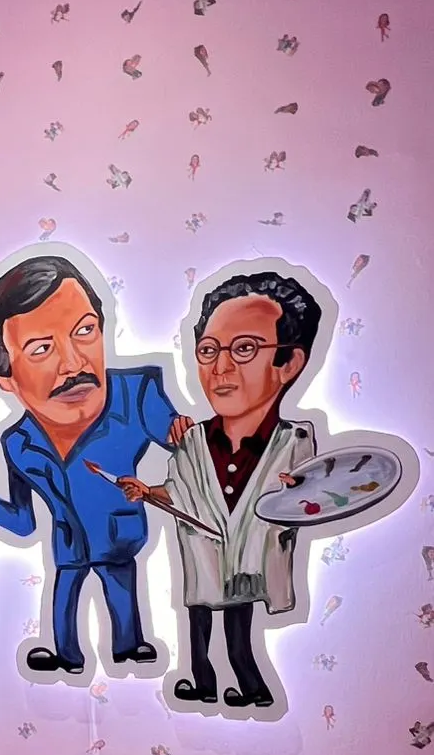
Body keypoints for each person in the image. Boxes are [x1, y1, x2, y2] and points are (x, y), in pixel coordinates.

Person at [0, 254, 189, 675]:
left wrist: (188, 434)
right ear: (6, 378)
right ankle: (67, 654)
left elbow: (181, 443)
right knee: (66, 595)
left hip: (119, 535)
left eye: (85, 331)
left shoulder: (137, 394)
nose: (75, 364)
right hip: (69, 545)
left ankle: (129, 646)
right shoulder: (18, 443)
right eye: (42, 349)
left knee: (120, 587)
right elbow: (23, 521)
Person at [119, 271, 321, 709]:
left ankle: (252, 689)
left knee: (238, 634)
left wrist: (296, 493)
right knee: (197, 625)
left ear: (288, 363)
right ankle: (203, 683)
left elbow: (311, 497)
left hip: (247, 562)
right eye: (208, 351)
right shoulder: (192, 440)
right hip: (203, 557)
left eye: (244, 348)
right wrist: (146, 491)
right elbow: (181, 492)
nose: (220, 368)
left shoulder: (294, 443)